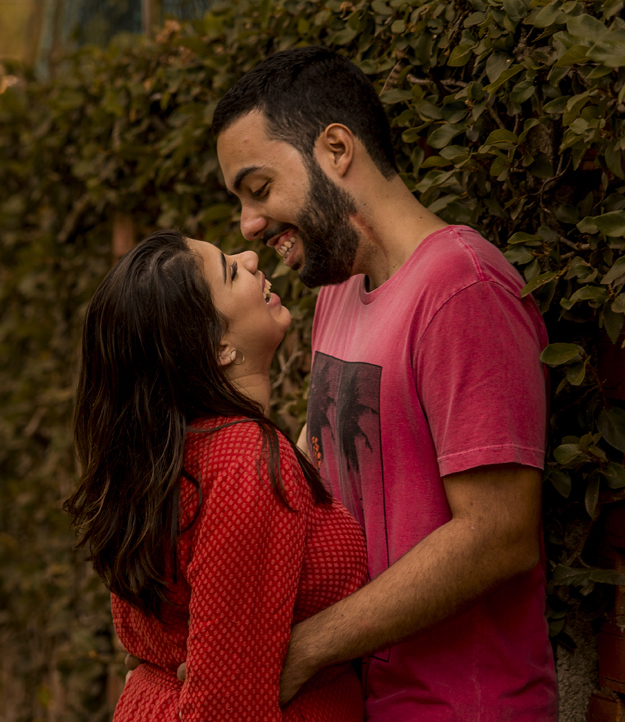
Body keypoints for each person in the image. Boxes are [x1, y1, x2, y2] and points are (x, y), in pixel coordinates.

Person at [209, 46, 557, 720]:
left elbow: (499, 533)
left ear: (337, 149)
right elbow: (317, 469)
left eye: (258, 190)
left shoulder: (464, 290)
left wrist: (307, 649)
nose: (249, 224)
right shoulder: (339, 290)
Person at [65, 229, 368, 721]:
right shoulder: (245, 462)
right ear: (219, 346)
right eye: (230, 270)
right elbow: (228, 706)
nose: (251, 256)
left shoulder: (175, 455)